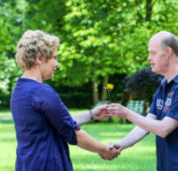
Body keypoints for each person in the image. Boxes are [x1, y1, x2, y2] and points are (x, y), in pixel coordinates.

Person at [11, 30, 119, 170]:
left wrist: (92, 114)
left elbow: (56, 123)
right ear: (39, 59)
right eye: (54, 58)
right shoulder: (42, 92)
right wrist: (105, 150)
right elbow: (72, 133)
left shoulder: (18, 90)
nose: (57, 64)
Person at [106, 31, 178, 170]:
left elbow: (163, 129)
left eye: (153, 53)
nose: (149, 58)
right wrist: (120, 145)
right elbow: (146, 125)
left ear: (168, 52)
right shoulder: (164, 87)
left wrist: (126, 113)